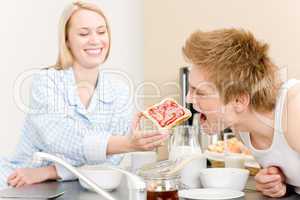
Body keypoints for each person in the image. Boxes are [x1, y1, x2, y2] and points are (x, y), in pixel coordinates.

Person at [0, 1, 168, 188]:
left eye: (101, 32)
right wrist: (126, 143)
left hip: (78, 187)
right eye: (84, 33)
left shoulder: (120, 91)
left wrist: (49, 172)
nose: (95, 40)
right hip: (18, 181)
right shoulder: (46, 82)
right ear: (66, 41)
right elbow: (61, 138)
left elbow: (108, 163)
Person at [182, 28, 300, 197]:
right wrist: (279, 183)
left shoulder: (295, 109)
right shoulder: (241, 126)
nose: (188, 99)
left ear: (238, 100)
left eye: (199, 92)